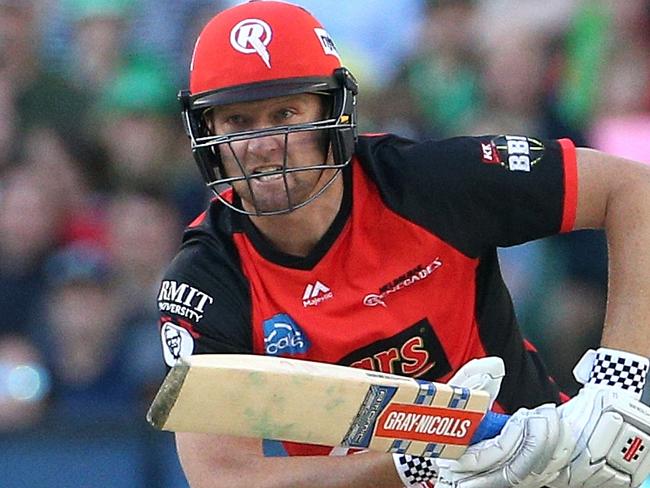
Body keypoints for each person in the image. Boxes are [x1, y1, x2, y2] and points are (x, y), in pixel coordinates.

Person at [156, 1, 650, 487]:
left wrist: (619, 386)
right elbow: (222, 475)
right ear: (208, 134)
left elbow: (633, 190)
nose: (264, 144)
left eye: (287, 113)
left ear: (334, 110)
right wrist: (419, 467)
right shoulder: (205, 279)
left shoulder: (425, 184)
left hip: (549, 468)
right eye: (238, 123)